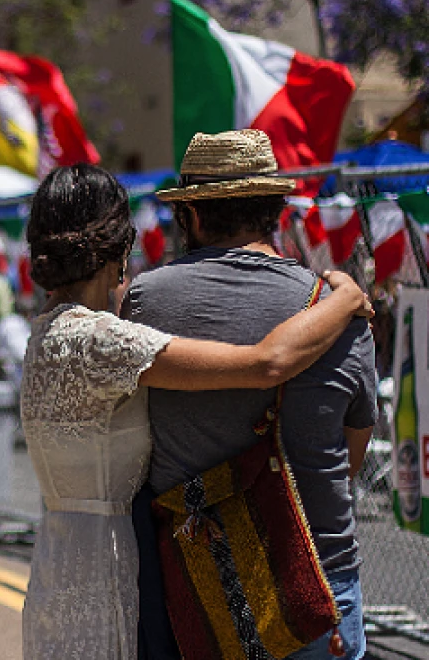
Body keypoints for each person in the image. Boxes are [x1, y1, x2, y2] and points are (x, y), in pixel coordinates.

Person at [19, 162, 372, 660]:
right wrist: (345, 298)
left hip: (64, 561)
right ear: (119, 249)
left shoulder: (50, 334)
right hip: (118, 568)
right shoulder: (102, 342)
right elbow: (267, 363)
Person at [125, 130, 377, 660]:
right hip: (318, 583)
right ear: (275, 212)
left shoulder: (147, 300)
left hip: (201, 585)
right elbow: (351, 457)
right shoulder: (341, 310)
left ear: (192, 214)